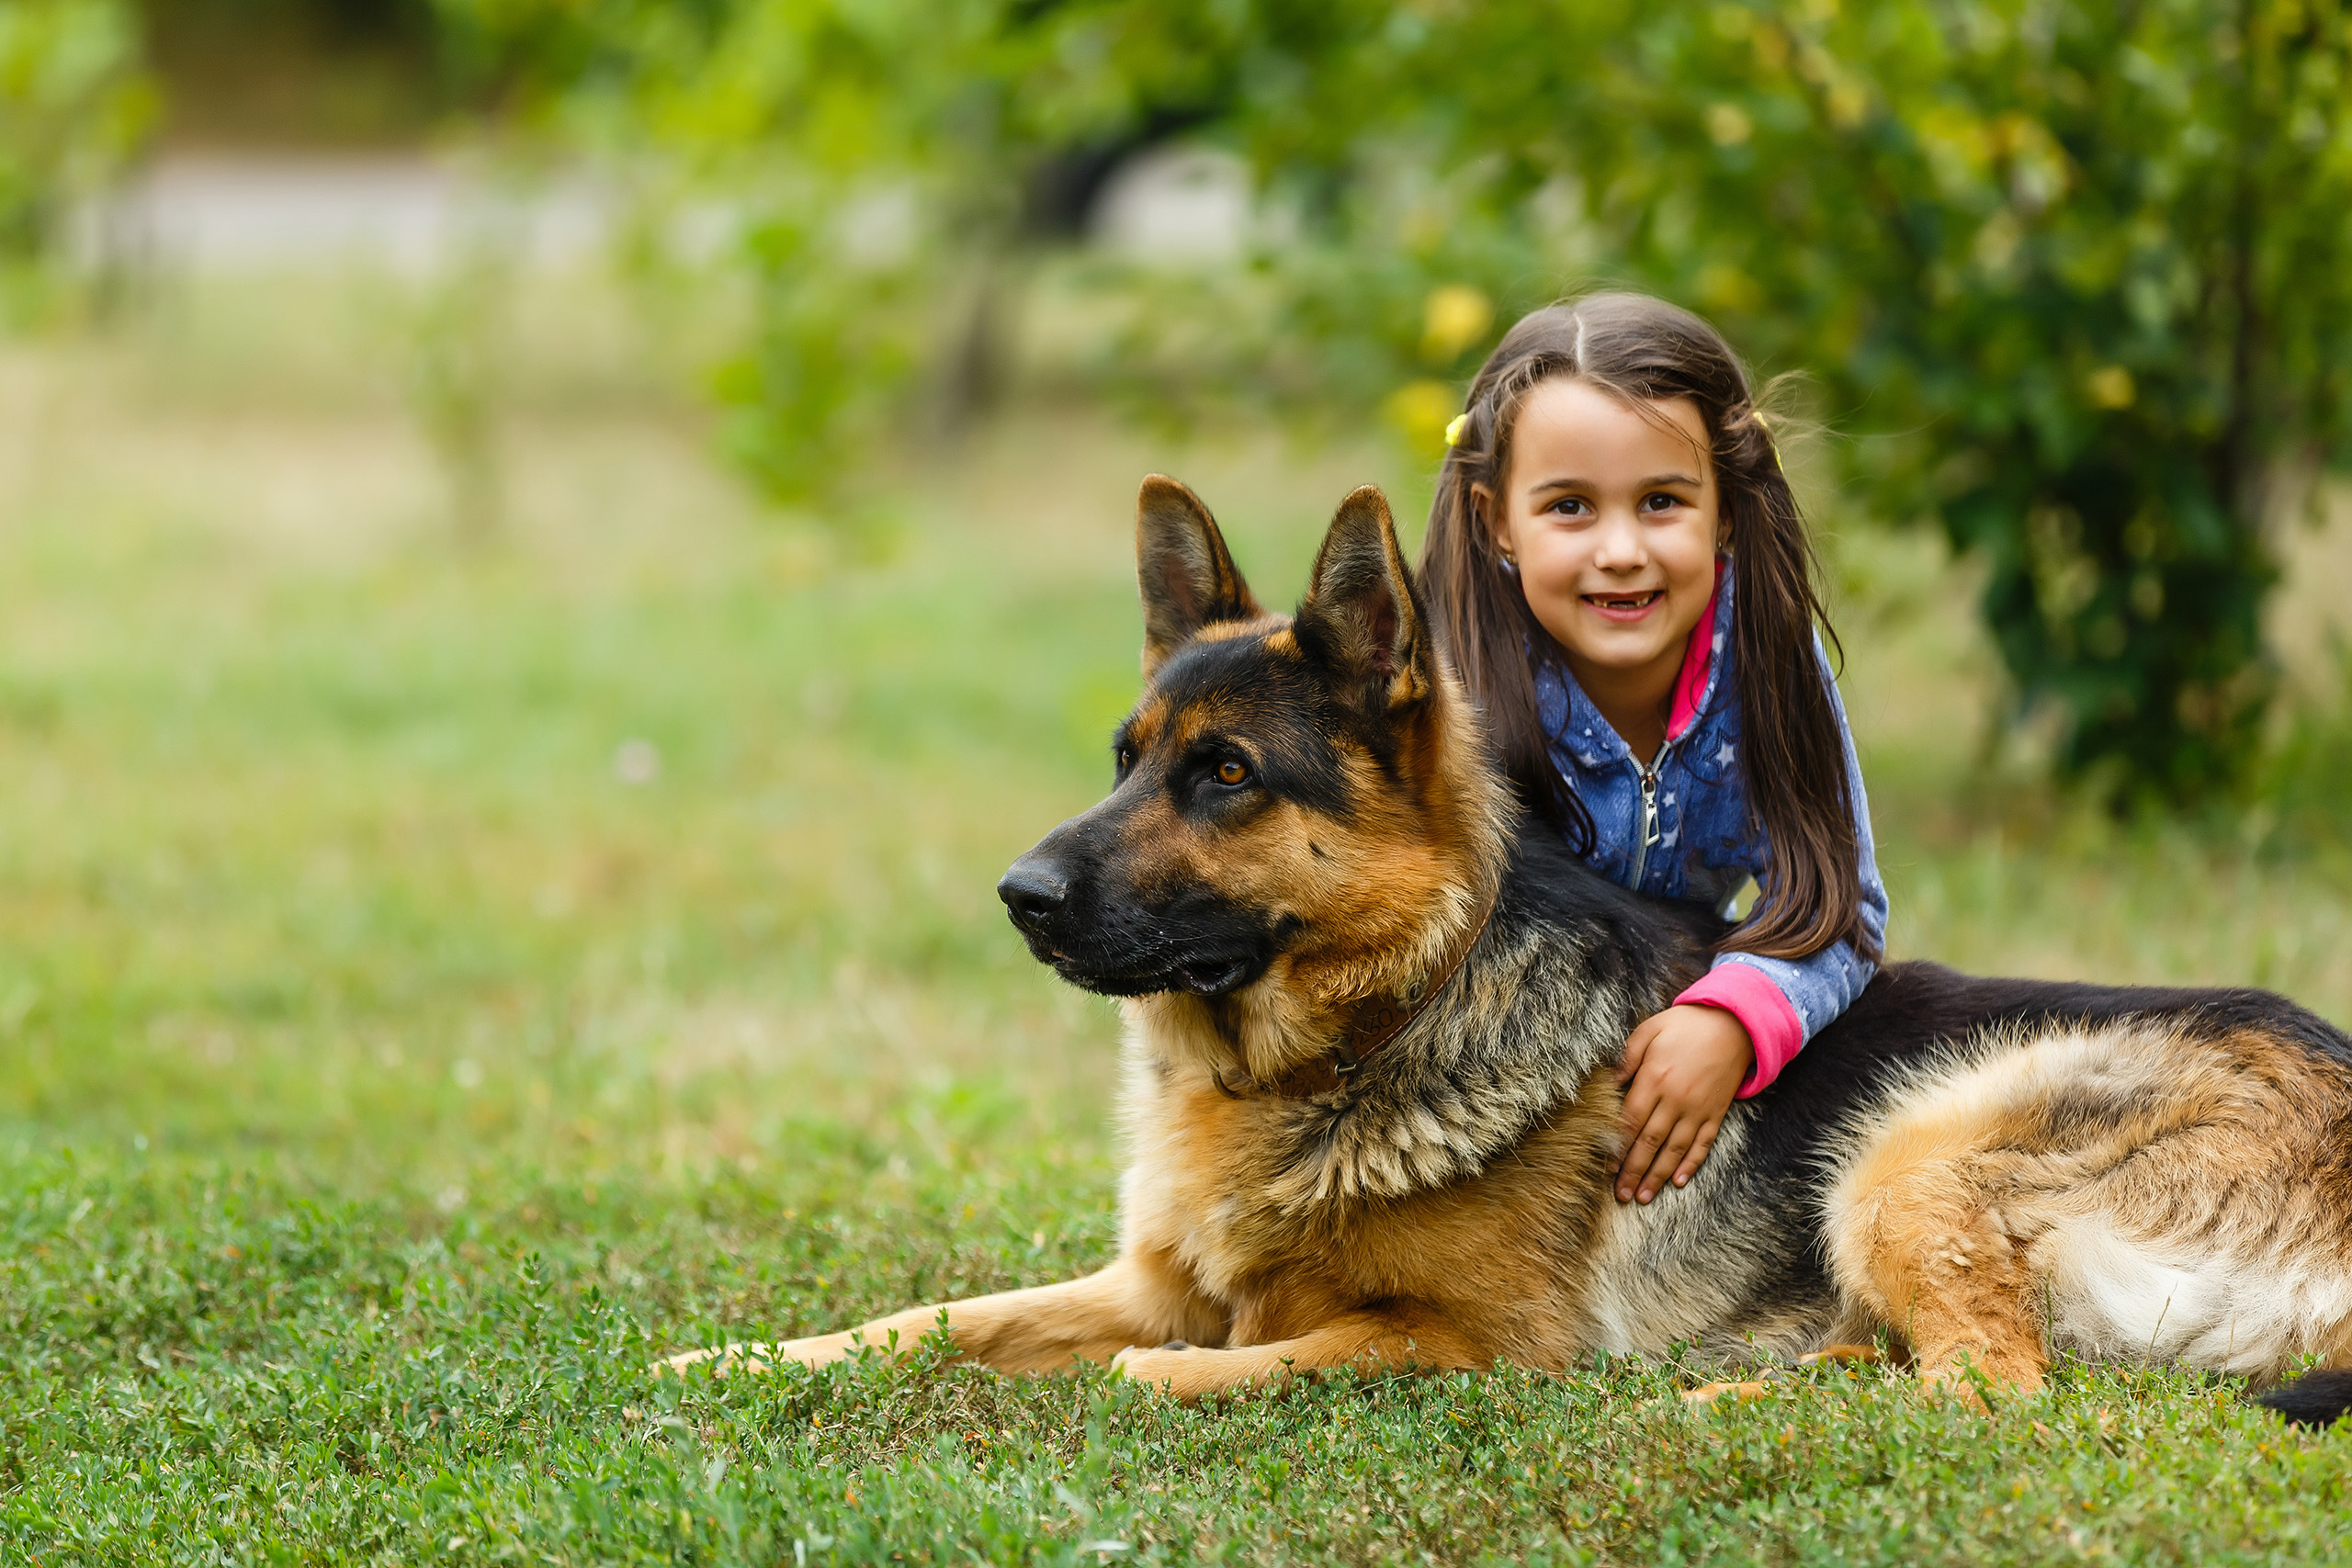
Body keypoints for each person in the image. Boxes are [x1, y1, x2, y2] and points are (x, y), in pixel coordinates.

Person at [1418, 292, 1887, 1207]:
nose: (1621, 549)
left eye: (1662, 501)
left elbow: (1842, 907)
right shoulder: (1446, 687)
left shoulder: (1764, 656)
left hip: (1684, 1032)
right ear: (1495, 521)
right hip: (1496, 1073)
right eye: (1569, 508)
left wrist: (1733, 1022)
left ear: (1722, 511)